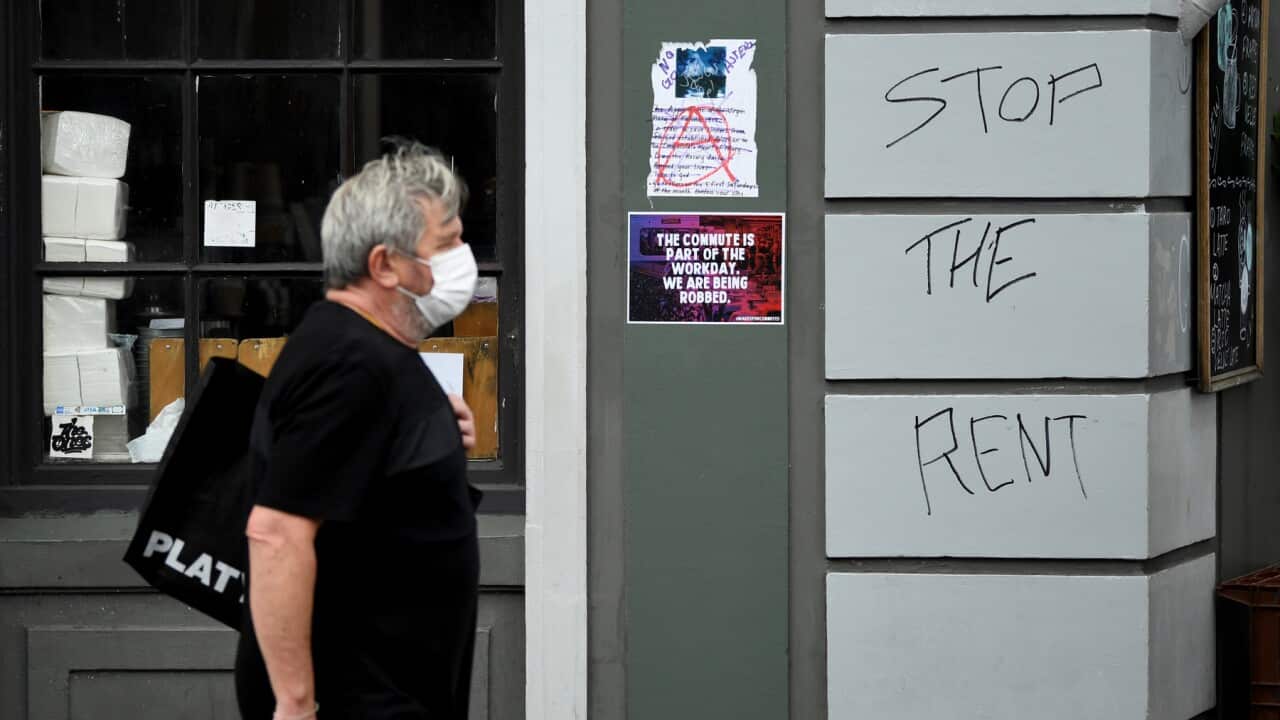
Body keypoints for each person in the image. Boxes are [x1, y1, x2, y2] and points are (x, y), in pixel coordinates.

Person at [235, 141, 483, 720]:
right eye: (445, 244)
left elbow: (357, 476)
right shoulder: (350, 364)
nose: (462, 257)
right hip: (357, 698)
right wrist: (296, 706)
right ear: (384, 265)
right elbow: (276, 533)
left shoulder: (368, 351)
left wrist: (434, 434)